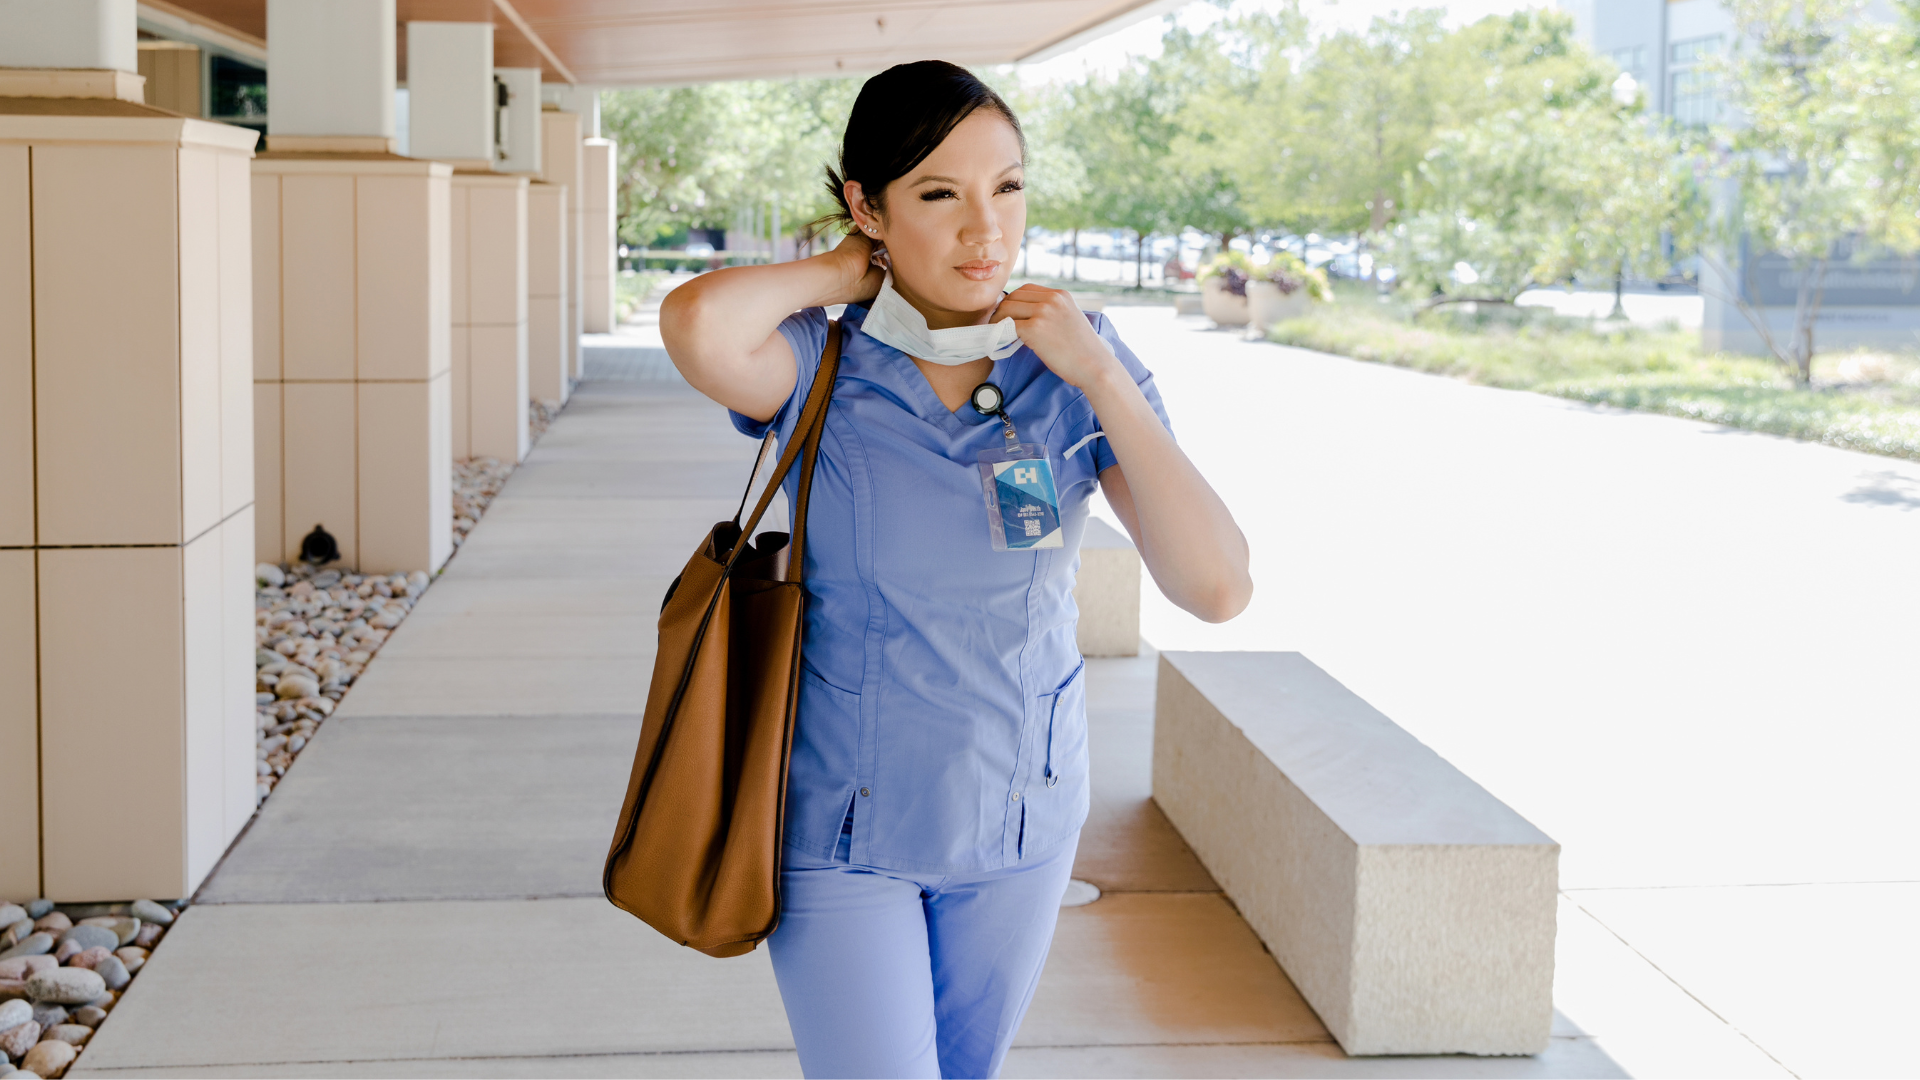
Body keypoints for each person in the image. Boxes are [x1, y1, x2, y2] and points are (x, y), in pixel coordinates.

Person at [661, 60, 1252, 1080]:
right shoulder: (820, 366)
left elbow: (1216, 587)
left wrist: (1102, 377)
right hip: (845, 828)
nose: (987, 230)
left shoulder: (1070, 369)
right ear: (868, 203)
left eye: (1007, 187)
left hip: (1023, 820)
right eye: (939, 194)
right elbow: (696, 325)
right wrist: (848, 272)